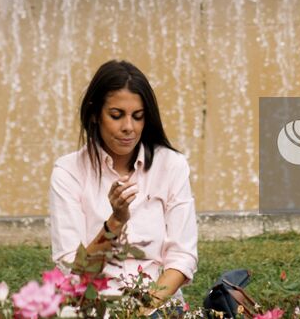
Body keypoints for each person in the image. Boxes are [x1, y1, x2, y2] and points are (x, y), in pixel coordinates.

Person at [49, 60, 198, 313]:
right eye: (116, 115)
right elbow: (74, 270)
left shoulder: (171, 165)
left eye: (137, 117)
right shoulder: (68, 173)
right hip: (96, 306)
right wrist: (116, 221)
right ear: (95, 114)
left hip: (156, 307)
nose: (128, 127)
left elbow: (182, 258)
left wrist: (140, 312)